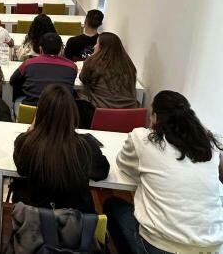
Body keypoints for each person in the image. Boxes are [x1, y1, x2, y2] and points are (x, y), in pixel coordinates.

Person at [105, 91, 223, 254]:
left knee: (112, 206)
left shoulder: (142, 138)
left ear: (155, 118)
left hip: (161, 246)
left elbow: (124, 165)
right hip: (212, 246)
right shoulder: (209, 147)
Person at [11, 84, 109, 213]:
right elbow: (102, 172)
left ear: (39, 114)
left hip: (35, 223)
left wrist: (32, 129)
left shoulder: (25, 143)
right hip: (74, 225)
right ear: (72, 114)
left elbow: (21, 169)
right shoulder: (86, 146)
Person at [10, 32, 77, 106]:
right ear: (61, 49)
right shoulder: (72, 67)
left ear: (40, 49)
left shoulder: (28, 63)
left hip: (32, 113)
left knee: (17, 101)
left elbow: (13, 81)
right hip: (61, 113)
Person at [79, 32, 138, 109]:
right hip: (131, 114)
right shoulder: (129, 65)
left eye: (97, 43)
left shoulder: (92, 63)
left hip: (102, 113)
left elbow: (83, 78)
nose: (94, 46)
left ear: (102, 47)